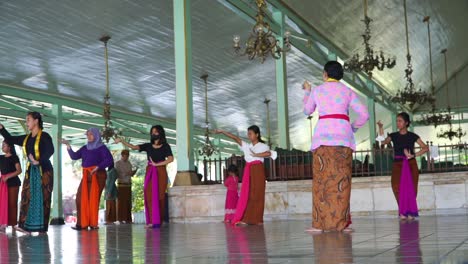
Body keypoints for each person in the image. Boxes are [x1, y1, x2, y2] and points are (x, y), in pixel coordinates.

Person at [303, 61, 369, 232]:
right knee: (342, 181)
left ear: (325, 74)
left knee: (321, 182)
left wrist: (307, 91)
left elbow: (307, 110)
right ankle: (342, 223)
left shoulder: (318, 90)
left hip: (322, 140)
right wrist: (352, 127)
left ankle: (319, 224)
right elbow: (365, 114)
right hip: (344, 140)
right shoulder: (348, 91)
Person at [0, 112, 54, 234]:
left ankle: (42, 228)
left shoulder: (45, 136)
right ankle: (25, 226)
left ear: (36, 121)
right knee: (27, 196)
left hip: (44, 170)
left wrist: (38, 161)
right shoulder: (27, 138)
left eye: (28, 120)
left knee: (43, 198)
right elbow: (11, 139)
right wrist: (2, 129)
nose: (27, 122)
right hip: (31, 171)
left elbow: (50, 150)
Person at [214, 125, 277, 226]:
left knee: (258, 194)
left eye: (250, 134)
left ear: (257, 134)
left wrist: (256, 155)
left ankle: (258, 219)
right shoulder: (247, 146)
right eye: (248, 134)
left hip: (258, 170)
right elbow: (235, 138)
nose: (249, 136)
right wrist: (222, 131)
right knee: (248, 194)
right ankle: (247, 218)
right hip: (249, 170)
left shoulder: (262, 145)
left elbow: (268, 153)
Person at [115, 125, 174, 228]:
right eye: (152, 132)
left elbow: (170, 159)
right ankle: (151, 221)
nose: (153, 134)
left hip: (161, 171)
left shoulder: (166, 146)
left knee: (160, 196)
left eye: (155, 132)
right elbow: (133, 147)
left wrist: (157, 164)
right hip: (150, 171)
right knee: (149, 195)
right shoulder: (148, 146)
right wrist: (122, 141)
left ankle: (158, 220)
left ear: (160, 133)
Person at [377, 113, 428, 220]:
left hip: (411, 164)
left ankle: (410, 212)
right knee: (396, 186)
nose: (397, 123)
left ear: (406, 123)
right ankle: (403, 211)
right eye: (397, 121)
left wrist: (413, 155)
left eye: (400, 121)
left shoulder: (413, 136)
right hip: (397, 164)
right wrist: (381, 128)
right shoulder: (393, 135)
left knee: (412, 188)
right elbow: (382, 142)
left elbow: (425, 148)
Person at [62, 127, 113, 230]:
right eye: (87, 134)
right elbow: (75, 156)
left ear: (96, 135)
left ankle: (93, 224)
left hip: (98, 176)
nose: (88, 136)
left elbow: (109, 160)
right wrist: (68, 145)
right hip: (86, 176)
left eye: (91, 134)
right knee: (80, 198)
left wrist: (98, 167)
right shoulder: (85, 148)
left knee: (93, 199)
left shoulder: (102, 148)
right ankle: (82, 224)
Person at [0, 140, 22, 229]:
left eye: (4, 145)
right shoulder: (0, 157)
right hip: (3, 182)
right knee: (2, 203)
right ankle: (3, 222)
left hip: (13, 183)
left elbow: (19, 171)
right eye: (2, 145)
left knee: (12, 203)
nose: (2, 146)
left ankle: (13, 224)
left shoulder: (14, 157)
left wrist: (8, 176)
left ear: (9, 147)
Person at [115, 149, 136, 223]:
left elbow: (130, 173)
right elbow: (117, 174)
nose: (127, 157)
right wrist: (125, 173)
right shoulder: (118, 163)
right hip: (121, 185)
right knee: (121, 203)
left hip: (128, 184)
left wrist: (132, 173)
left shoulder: (129, 163)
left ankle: (128, 219)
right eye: (125, 155)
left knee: (128, 202)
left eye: (128, 156)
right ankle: (120, 219)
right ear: (122, 155)